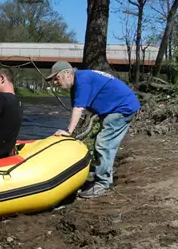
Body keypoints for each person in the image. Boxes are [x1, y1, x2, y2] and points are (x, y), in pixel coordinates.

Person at [46, 61, 141, 198]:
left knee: (104, 143)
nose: (55, 82)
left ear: (67, 73)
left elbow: (79, 108)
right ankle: (99, 173)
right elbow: (77, 109)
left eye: (56, 78)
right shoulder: (78, 82)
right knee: (101, 141)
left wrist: (68, 132)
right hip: (115, 108)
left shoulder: (82, 80)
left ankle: (102, 183)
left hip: (123, 108)